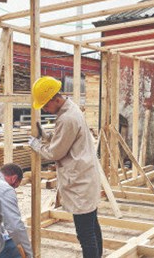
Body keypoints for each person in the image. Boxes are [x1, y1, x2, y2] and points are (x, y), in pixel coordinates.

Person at [28, 76, 102, 258]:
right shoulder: (71, 109)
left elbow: (55, 153)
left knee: (86, 234)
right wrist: (47, 136)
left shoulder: (67, 118)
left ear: (56, 99)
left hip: (80, 183)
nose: (46, 109)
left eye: (46, 105)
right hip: (86, 177)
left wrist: (37, 145)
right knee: (92, 225)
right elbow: (65, 139)